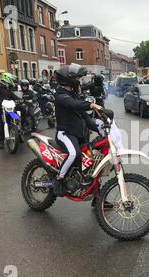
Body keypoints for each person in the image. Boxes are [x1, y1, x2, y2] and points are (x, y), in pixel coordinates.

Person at [54, 64, 103, 197]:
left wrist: (99, 128)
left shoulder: (73, 95)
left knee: (90, 166)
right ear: (69, 80)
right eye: (79, 79)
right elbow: (73, 104)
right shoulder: (61, 95)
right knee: (73, 154)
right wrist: (91, 105)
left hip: (80, 136)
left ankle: (97, 198)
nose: (81, 81)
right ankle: (59, 180)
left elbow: (85, 116)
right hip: (65, 134)